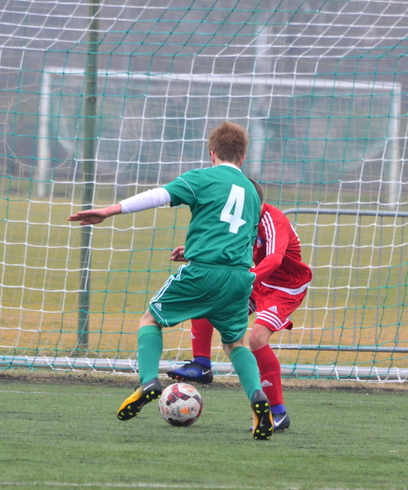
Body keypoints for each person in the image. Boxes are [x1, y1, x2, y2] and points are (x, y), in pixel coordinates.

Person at [67, 121, 274, 440]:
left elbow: (157, 196)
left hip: (204, 271)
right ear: (243, 157)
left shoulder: (203, 177)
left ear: (212, 152)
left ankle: (149, 381)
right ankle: (258, 398)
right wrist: (192, 249)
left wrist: (109, 211)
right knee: (235, 343)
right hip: (238, 277)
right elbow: (239, 236)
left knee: (150, 319)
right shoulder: (251, 191)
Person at [167, 180, 312, 432]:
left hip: (284, 286)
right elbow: (223, 248)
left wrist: (250, 278)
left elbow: (276, 259)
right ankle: (202, 365)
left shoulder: (272, 219)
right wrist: (192, 253)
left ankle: (278, 413)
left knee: (256, 339)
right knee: (207, 302)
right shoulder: (243, 218)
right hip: (256, 280)